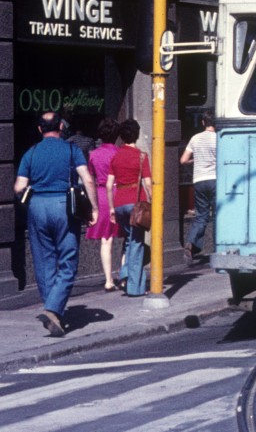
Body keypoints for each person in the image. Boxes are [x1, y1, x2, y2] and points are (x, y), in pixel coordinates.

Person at [13, 111, 100, 337]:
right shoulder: (72, 150)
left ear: (39, 130)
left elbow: (19, 187)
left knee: (44, 261)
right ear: (61, 127)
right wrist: (94, 208)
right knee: (68, 260)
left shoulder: (30, 153)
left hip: (37, 208)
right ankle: (53, 308)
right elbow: (88, 179)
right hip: (63, 207)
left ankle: (53, 310)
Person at [107, 119, 152, 297]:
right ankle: (134, 287)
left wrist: (111, 208)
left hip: (119, 204)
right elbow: (148, 185)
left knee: (129, 240)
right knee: (136, 244)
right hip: (136, 204)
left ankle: (127, 275)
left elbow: (110, 185)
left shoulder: (116, 156)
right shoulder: (141, 156)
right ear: (137, 134)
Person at [84, 117, 121, 291]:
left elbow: (89, 177)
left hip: (100, 195)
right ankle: (125, 275)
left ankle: (108, 280)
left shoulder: (93, 154)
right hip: (117, 192)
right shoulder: (119, 153)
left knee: (106, 239)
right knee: (127, 237)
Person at [180, 110, 217, 261]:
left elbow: (183, 160)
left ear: (203, 123)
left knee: (200, 216)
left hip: (199, 180)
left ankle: (190, 243)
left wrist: (194, 161)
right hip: (215, 179)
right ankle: (218, 247)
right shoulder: (218, 139)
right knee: (217, 216)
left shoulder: (195, 138)